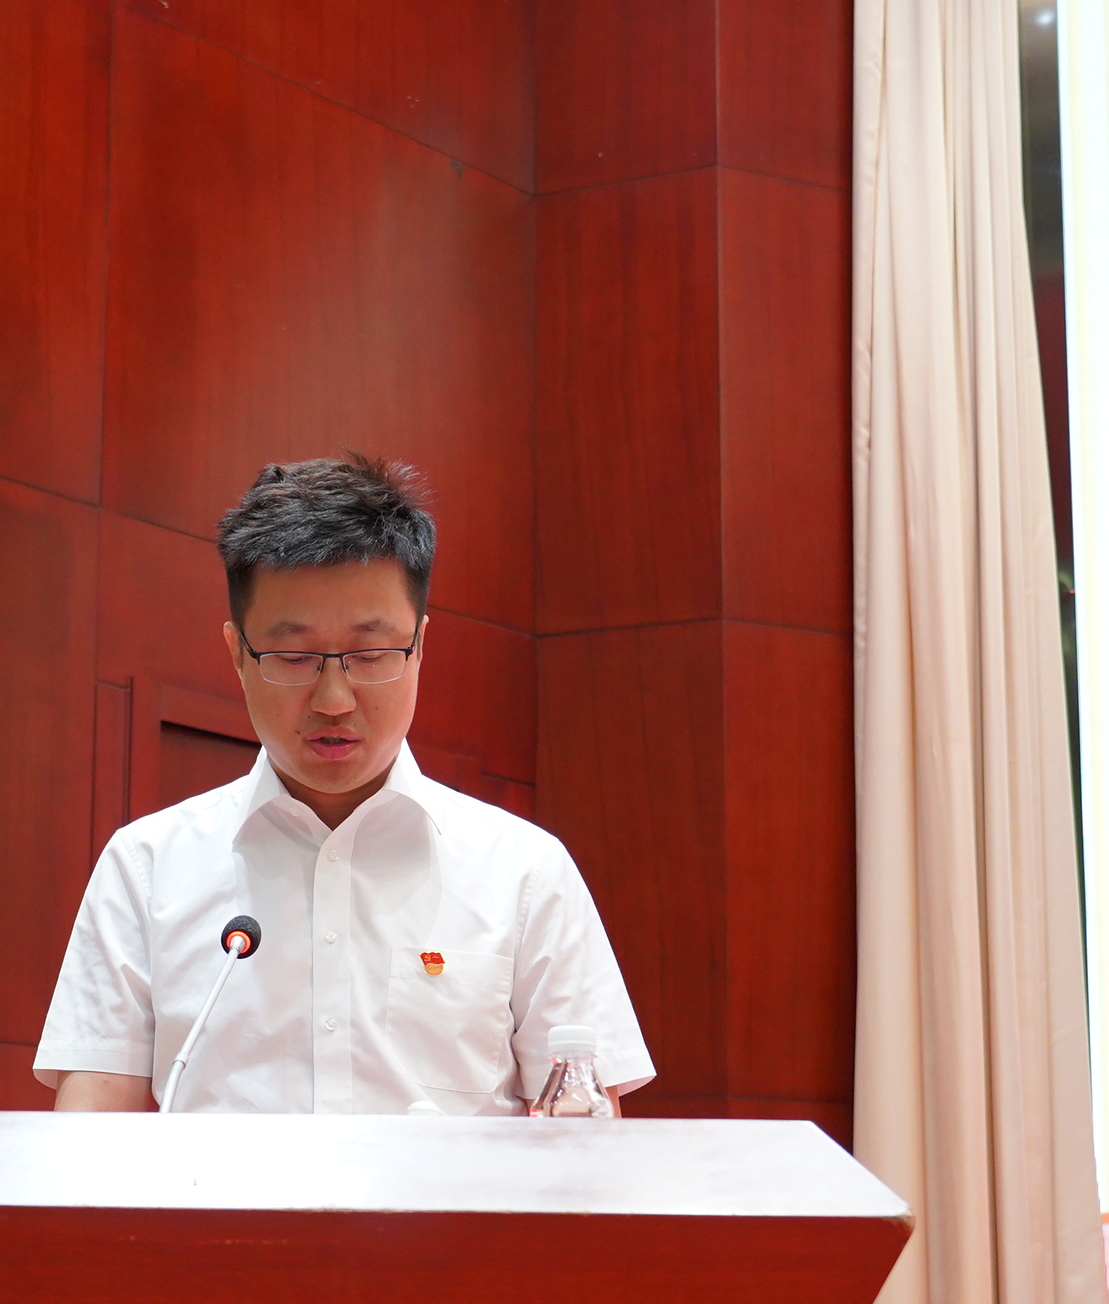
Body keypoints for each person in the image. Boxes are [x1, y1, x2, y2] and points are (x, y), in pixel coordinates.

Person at [37, 454, 650, 1115]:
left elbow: (585, 1133)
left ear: (420, 645)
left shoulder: (524, 872)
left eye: (371, 654)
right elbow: (90, 1131)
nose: (333, 699)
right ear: (237, 653)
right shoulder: (147, 868)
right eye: (293, 656)